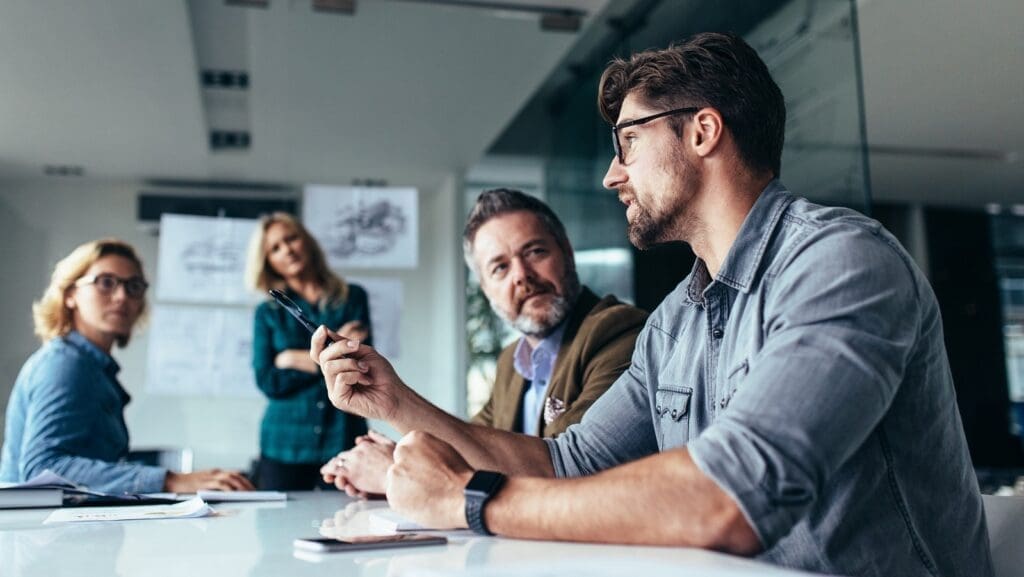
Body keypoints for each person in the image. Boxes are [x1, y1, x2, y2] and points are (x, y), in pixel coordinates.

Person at [311, 32, 992, 577]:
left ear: (702, 132)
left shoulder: (842, 262)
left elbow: (729, 497)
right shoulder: (676, 319)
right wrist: (394, 402)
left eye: (629, 142)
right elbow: (566, 462)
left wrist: (469, 500)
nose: (613, 173)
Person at [320, 189, 648, 496]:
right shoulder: (512, 361)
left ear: (566, 251)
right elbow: (470, 448)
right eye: (500, 267)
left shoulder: (619, 332)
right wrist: (399, 455)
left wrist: (395, 470)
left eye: (535, 252)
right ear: (485, 288)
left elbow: (564, 470)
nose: (521, 275)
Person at [0, 239, 253, 494]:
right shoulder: (65, 364)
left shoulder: (93, 368)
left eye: (134, 287)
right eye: (106, 282)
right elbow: (42, 469)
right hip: (37, 531)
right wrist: (170, 480)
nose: (122, 296)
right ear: (70, 295)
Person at [246, 212, 371, 490]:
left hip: (342, 436)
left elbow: (358, 366)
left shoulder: (352, 298)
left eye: (291, 239)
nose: (287, 249)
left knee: (348, 522)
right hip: (284, 444)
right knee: (278, 529)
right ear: (268, 262)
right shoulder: (267, 313)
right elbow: (267, 380)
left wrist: (291, 358)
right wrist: (328, 359)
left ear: (307, 242)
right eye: (275, 248)